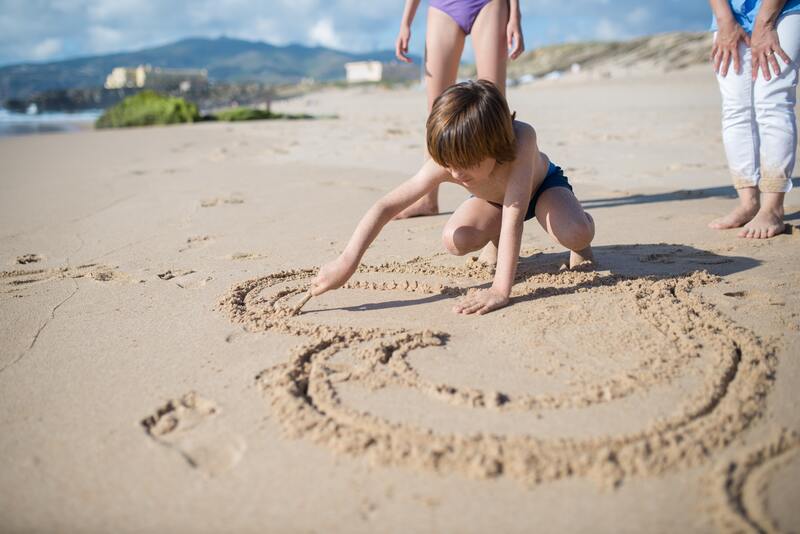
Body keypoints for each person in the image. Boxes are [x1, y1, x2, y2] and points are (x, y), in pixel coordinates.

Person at [310, 80, 594, 316]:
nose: (455, 172)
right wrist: (346, 261)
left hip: (542, 189)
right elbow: (386, 206)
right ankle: (493, 240)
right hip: (493, 202)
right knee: (456, 240)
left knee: (574, 233)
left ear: (495, 145)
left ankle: (583, 231)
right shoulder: (449, 162)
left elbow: (514, 215)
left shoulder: (522, 140)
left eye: (465, 162)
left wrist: (499, 290)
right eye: (449, 162)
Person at [393, 0, 524, 265]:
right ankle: (428, 199)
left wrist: (515, 16)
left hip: (487, 4)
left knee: (493, 106)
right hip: (443, 6)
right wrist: (406, 22)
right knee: (437, 111)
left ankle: (498, 202)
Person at [708, 0, 800, 238]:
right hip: (731, 11)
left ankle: (773, 207)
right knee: (735, 108)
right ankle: (748, 202)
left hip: (784, 8)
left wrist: (765, 21)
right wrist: (724, 19)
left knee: (772, 100)